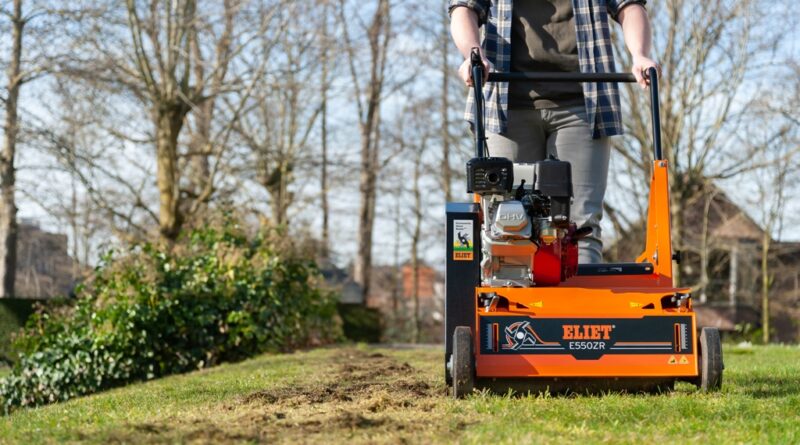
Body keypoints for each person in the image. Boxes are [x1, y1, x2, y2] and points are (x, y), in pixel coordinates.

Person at [449, 0, 660, 264]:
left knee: (579, 226)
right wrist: (473, 52)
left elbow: (629, 6)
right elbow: (463, 8)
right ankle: (514, 302)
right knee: (508, 222)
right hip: (507, 107)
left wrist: (639, 54)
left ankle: (582, 303)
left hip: (583, 105)